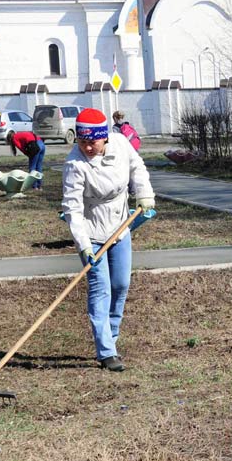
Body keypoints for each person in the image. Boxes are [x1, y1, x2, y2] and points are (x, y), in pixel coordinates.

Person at [62, 108, 155, 372]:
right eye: (82, 141)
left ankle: (112, 337)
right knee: (101, 289)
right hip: (91, 232)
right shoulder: (75, 165)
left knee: (121, 284)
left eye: (93, 141)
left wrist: (144, 194)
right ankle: (106, 351)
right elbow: (72, 209)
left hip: (120, 225)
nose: (87, 147)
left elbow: (137, 167)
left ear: (104, 137)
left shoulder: (121, 144)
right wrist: (83, 246)